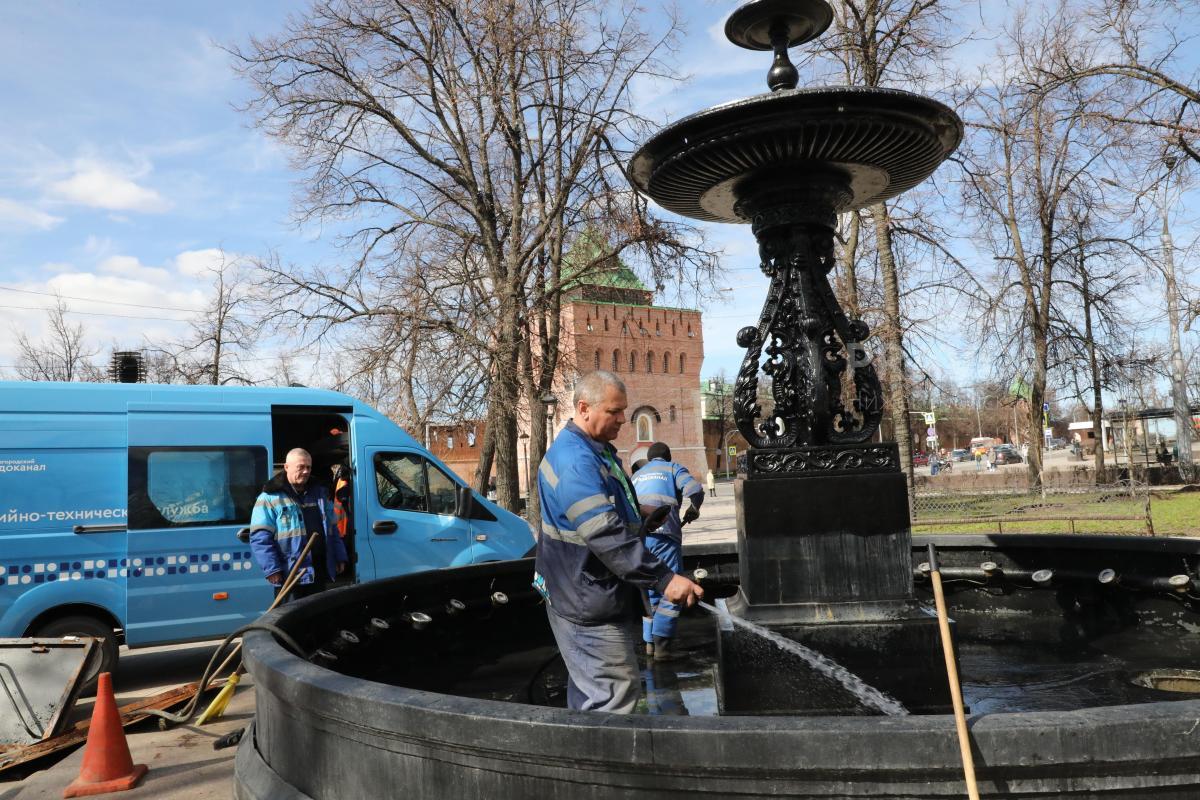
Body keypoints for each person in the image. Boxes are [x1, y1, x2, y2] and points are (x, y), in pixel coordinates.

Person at [533, 371, 703, 713]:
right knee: (612, 698)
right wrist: (665, 578)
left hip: (579, 590)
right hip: (587, 603)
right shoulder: (576, 462)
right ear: (584, 408)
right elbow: (604, 534)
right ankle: (604, 765)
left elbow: (601, 510)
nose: (624, 419)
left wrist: (640, 515)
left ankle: (583, 758)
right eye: (614, 411)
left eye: (624, 411)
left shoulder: (591, 451)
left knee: (590, 694)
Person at [632, 442, 704, 661]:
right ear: (668, 456)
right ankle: (664, 648)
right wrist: (693, 508)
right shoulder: (673, 468)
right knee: (672, 587)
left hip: (640, 536)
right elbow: (695, 489)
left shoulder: (637, 475)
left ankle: (650, 645)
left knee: (650, 588)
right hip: (665, 536)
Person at [249, 448, 348, 601]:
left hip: (318, 569)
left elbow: (332, 528)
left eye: (308, 467)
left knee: (316, 615)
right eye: (300, 467)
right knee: (291, 620)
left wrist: (339, 556)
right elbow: (260, 537)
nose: (305, 471)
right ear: (287, 467)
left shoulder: (320, 493)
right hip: (289, 573)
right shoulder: (269, 497)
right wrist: (272, 569)